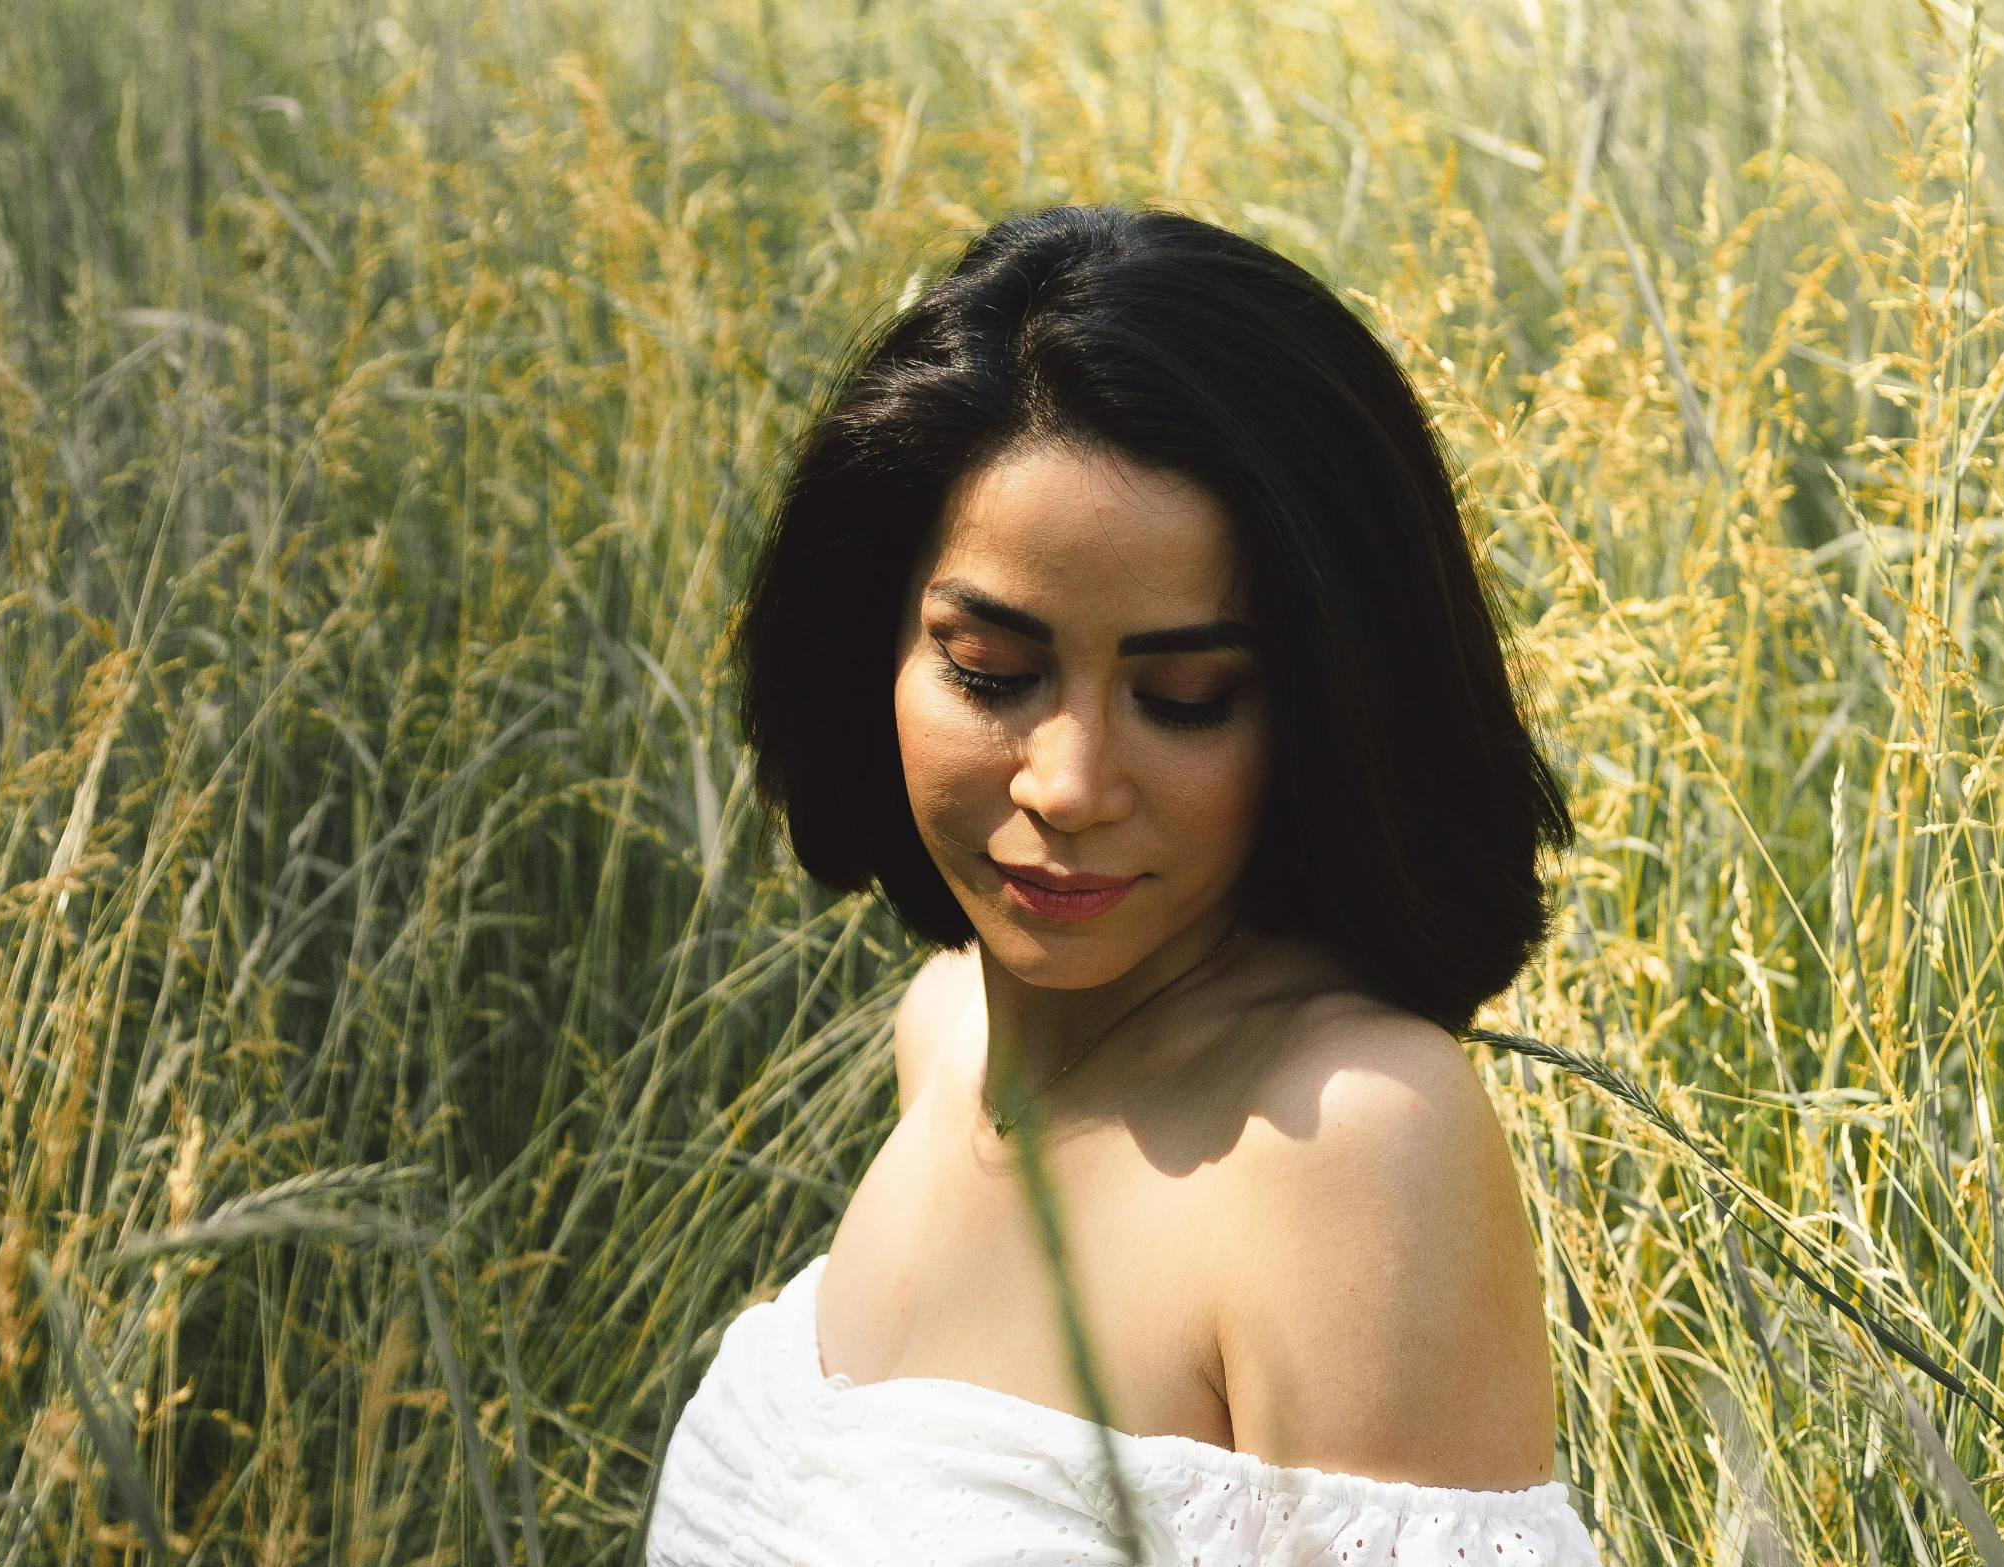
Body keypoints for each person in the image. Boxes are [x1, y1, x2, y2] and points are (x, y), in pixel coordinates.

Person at [646, 204, 1595, 1565]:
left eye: (1186, 695)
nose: (1069, 781)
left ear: (1326, 712)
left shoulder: (1345, 1145)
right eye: (988, 670)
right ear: (875, 645)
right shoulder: (944, 1030)